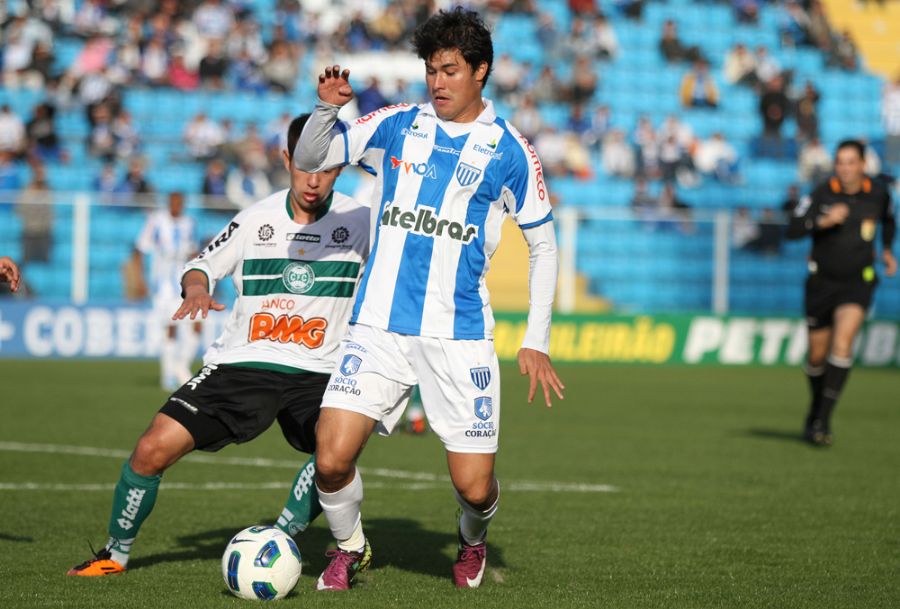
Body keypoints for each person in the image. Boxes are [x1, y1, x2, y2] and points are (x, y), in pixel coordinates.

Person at [293, 7, 565, 592]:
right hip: (379, 326)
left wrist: (536, 340)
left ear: (480, 71)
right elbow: (315, 158)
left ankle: (471, 539)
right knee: (331, 456)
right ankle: (350, 547)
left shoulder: (509, 150)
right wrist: (326, 109)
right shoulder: (397, 124)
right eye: (430, 71)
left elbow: (544, 246)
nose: (436, 83)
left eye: (449, 71)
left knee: (474, 486)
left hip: (458, 333)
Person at [67, 114, 371, 577]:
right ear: (286, 159)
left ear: (342, 166)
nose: (314, 180)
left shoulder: (362, 222)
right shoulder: (255, 219)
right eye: (305, 166)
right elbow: (202, 265)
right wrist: (195, 287)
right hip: (243, 363)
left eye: (327, 167)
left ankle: (282, 537)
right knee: (150, 450)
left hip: (321, 371)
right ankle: (114, 555)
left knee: (335, 457)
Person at [787, 140, 896, 446]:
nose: (845, 168)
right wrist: (822, 221)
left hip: (858, 281)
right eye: (840, 162)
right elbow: (792, 228)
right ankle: (816, 410)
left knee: (843, 342)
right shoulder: (821, 192)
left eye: (851, 162)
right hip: (821, 282)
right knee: (817, 356)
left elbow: (889, 221)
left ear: (863, 165)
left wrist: (886, 251)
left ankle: (822, 421)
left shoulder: (878, 193)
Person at [134, 191, 203, 391]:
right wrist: (140, 280)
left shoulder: (189, 223)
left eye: (180, 202)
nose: (176, 206)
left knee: (197, 325)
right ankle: (168, 377)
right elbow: (140, 249)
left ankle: (180, 366)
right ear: (168, 203)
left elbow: (193, 252)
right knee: (171, 329)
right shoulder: (156, 221)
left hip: (185, 284)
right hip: (162, 286)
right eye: (173, 202)